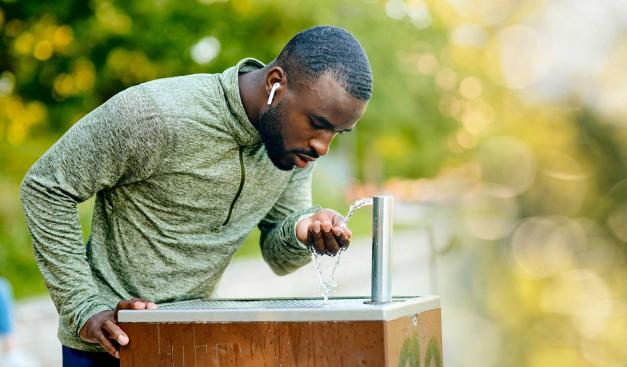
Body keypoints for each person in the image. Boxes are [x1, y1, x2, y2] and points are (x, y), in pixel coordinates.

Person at [19, 25, 372, 366]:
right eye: (318, 123)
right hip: (107, 347)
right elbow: (46, 186)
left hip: (193, 340)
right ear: (275, 84)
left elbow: (279, 258)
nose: (322, 147)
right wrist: (83, 307)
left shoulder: (292, 146)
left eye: (337, 133)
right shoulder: (155, 114)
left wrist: (302, 231)